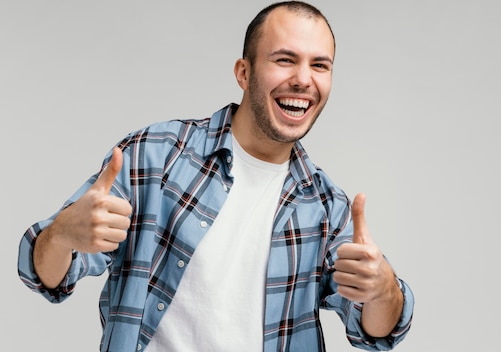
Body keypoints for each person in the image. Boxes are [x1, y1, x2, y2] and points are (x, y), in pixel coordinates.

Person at [17, 1, 414, 351]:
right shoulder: (156, 155)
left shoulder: (326, 206)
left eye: (320, 65)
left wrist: (382, 289)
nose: (303, 79)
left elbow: (376, 332)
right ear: (243, 72)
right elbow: (43, 273)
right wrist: (64, 234)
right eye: (284, 59)